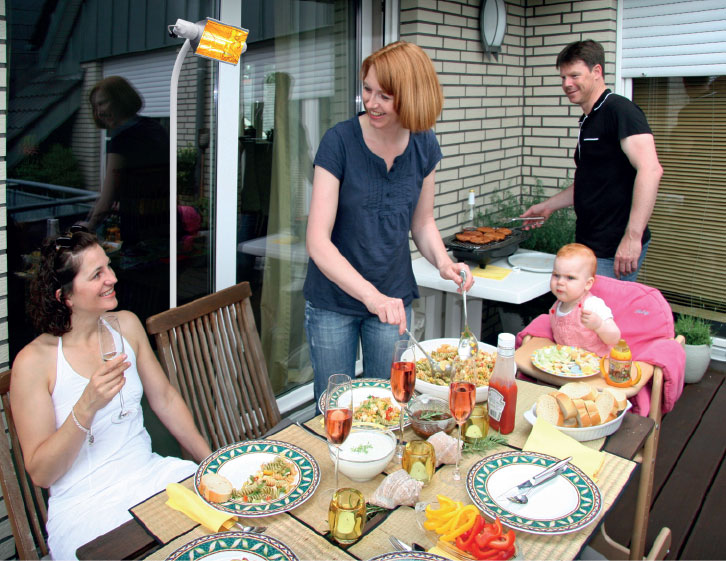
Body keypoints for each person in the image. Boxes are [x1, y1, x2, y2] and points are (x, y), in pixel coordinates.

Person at [9, 227, 212, 560]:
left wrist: (211, 464)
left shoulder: (126, 325)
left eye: (109, 266)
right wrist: (86, 407)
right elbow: (42, 473)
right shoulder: (34, 363)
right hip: (86, 508)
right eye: (97, 274)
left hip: (150, 476)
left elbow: (165, 399)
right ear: (65, 297)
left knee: (228, 531)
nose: (112, 278)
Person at [304, 41, 473, 403]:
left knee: (388, 404)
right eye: (367, 89)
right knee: (335, 406)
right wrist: (372, 296)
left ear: (411, 96)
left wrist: (444, 263)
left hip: (392, 300)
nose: (372, 102)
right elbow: (317, 241)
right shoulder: (339, 141)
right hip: (333, 300)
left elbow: (422, 223)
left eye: (385, 95)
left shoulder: (424, 144)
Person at [521, 40, 663, 281]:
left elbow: (650, 170)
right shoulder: (589, 119)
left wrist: (632, 237)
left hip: (614, 248)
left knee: (600, 307)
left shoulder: (620, 111)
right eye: (563, 77)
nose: (567, 84)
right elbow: (592, 181)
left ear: (597, 71)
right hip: (590, 242)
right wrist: (548, 206)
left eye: (574, 75)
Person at [84, 75, 171, 322]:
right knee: (159, 298)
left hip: (142, 234)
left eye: (103, 103)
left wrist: (87, 228)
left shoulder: (123, 139)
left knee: (135, 303)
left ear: (120, 100)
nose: (99, 111)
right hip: (166, 227)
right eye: (95, 106)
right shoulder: (154, 128)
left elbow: (107, 198)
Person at [549, 243, 620, 356]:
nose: (560, 282)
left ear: (588, 284)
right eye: (556, 275)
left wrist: (599, 325)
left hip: (597, 362)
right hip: (567, 362)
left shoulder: (592, 305)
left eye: (570, 277)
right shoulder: (557, 306)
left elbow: (615, 338)